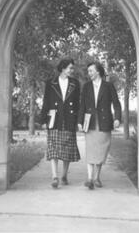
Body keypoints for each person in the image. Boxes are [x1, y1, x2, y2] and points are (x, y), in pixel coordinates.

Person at [78, 62, 121, 189]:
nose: (89, 73)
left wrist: (117, 118)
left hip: (104, 122)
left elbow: (116, 104)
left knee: (101, 150)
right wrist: (80, 122)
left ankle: (97, 177)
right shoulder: (86, 87)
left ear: (98, 72)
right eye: (88, 71)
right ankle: (90, 178)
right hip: (89, 122)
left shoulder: (108, 86)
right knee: (91, 149)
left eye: (91, 71)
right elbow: (82, 106)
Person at [40, 58, 80, 188]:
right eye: (70, 68)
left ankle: (64, 175)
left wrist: (78, 121)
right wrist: (43, 120)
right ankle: (54, 176)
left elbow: (78, 104)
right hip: (54, 119)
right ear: (63, 68)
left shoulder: (75, 83)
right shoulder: (50, 83)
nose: (72, 70)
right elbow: (46, 102)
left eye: (72, 68)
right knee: (53, 149)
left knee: (67, 149)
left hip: (69, 118)